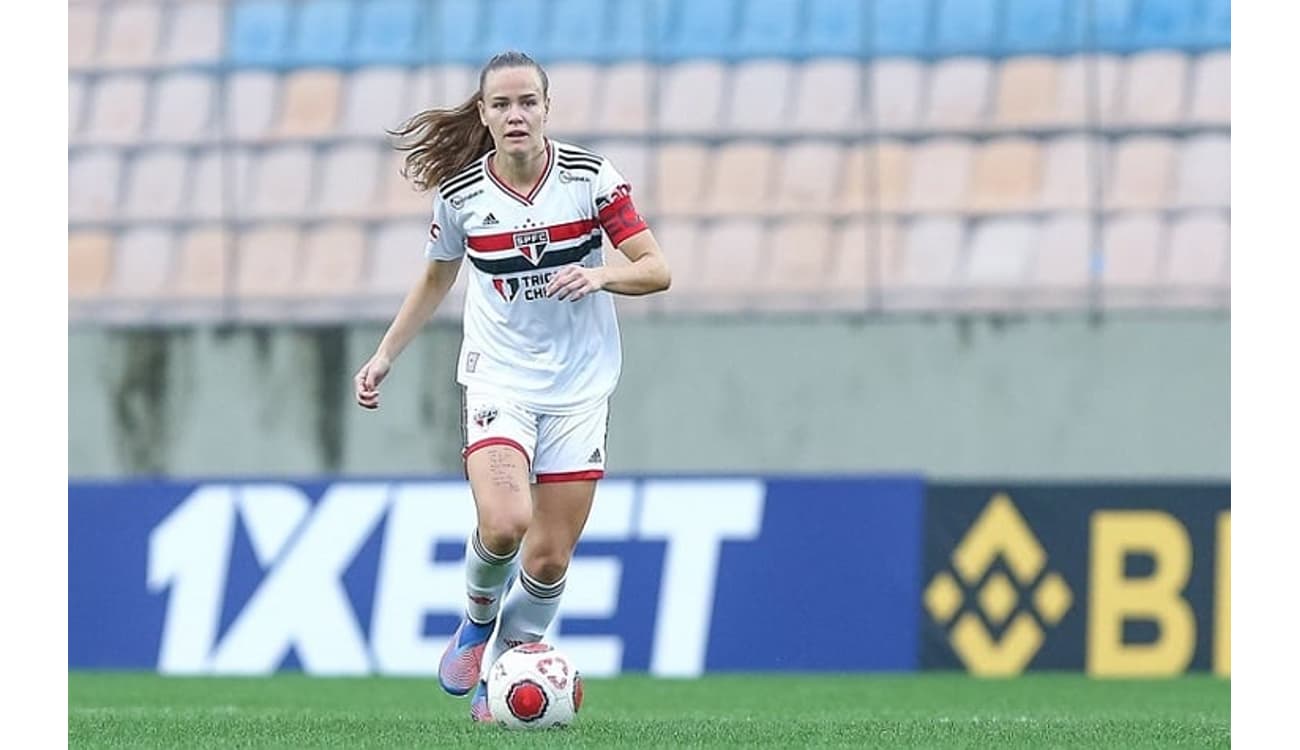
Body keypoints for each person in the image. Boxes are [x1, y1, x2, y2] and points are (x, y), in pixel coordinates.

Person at [352, 50, 671, 722]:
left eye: (527, 101)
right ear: (485, 113)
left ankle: (504, 676)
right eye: (502, 104)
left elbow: (656, 268)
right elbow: (436, 276)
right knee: (505, 524)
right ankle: (475, 623)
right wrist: (385, 355)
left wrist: (602, 274)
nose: (516, 114)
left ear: (546, 108)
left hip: (581, 387)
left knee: (549, 559)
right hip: (499, 377)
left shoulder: (590, 179)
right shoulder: (463, 194)